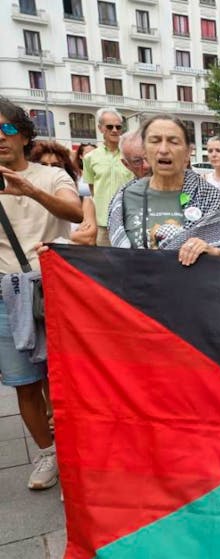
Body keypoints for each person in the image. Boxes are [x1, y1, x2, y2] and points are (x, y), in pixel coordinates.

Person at [0, 97, 83, 490]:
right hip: (5, 294)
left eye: (8, 128)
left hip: (53, 291)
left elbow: (76, 213)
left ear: (25, 134)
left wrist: (29, 190)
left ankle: (76, 454)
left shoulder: (49, 176)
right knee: (24, 383)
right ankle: (50, 453)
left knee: (63, 379)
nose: (1, 137)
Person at [106, 115, 220, 265]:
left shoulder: (211, 198)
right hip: (136, 286)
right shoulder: (125, 198)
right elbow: (117, 259)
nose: (164, 149)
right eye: (155, 141)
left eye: (173, 141)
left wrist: (213, 251)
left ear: (188, 152)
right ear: (144, 150)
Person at [28, 141, 98, 246]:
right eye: (43, 165)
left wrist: (47, 238)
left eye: (56, 166)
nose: (49, 170)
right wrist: (70, 237)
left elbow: (89, 239)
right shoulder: (27, 199)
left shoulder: (83, 201)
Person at [82, 107, 133, 246]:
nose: (115, 130)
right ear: (100, 128)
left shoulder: (131, 155)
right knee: (105, 264)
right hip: (102, 224)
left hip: (128, 222)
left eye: (118, 126)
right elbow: (93, 189)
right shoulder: (90, 158)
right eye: (109, 126)